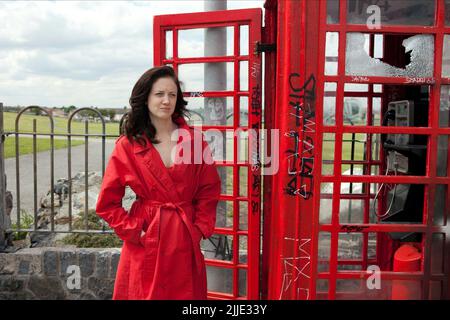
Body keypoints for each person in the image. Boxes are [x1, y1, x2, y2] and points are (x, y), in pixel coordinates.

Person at [95, 65, 221, 300]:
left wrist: (198, 229)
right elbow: (107, 204)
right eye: (159, 94)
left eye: (172, 95)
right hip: (146, 238)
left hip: (183, 238)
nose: (166, 101)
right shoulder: (127, 145)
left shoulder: (194, 141)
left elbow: (209, 189)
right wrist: (136, 232)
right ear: (145, 98)